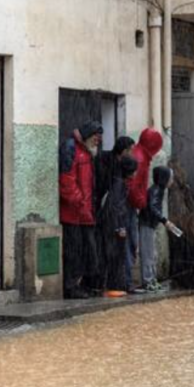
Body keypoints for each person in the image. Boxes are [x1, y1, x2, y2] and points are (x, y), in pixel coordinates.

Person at [59, 120, 102, 299]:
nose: (98, 140)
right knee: (74, 252)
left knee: (87, 251)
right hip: (74, 213)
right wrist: (80, 202)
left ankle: (82, 284)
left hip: (84, 212)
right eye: (95, 137)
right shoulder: (72, 149)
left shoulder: (86, 152)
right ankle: (71, 286)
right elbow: (66, 181)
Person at [126, 127, 164, 291]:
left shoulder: (138, 154)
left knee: (132, 244)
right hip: (132, 207)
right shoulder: (141, 159)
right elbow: (135, 186)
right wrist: (141, 203)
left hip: (132, 206)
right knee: (132, 244)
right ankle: (129, 282)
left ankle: (128, 282)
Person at [97, 156, 138, 294]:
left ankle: (115, 284)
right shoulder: (119, 185)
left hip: (112, 225)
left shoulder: (118, 183)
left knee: (114, 255)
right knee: (114, 255)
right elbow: (115, 209)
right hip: (112, 226)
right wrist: (118, 227)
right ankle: (115, 284)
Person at [139, 166, 178, 291]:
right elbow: (153, 208)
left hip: (150, 224)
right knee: (148, 254)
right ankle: (148, 281)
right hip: (147, 224)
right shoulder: (156, 190)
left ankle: (151, 279)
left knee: (151, 253)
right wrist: (165, 221)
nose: (171, 180)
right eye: (170, 178)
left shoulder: (158, 190)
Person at [95, 136, 135, 205]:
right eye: (131, 150)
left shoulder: (123, 163)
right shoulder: (102, 158)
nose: (132, 153)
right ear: (124, 151)